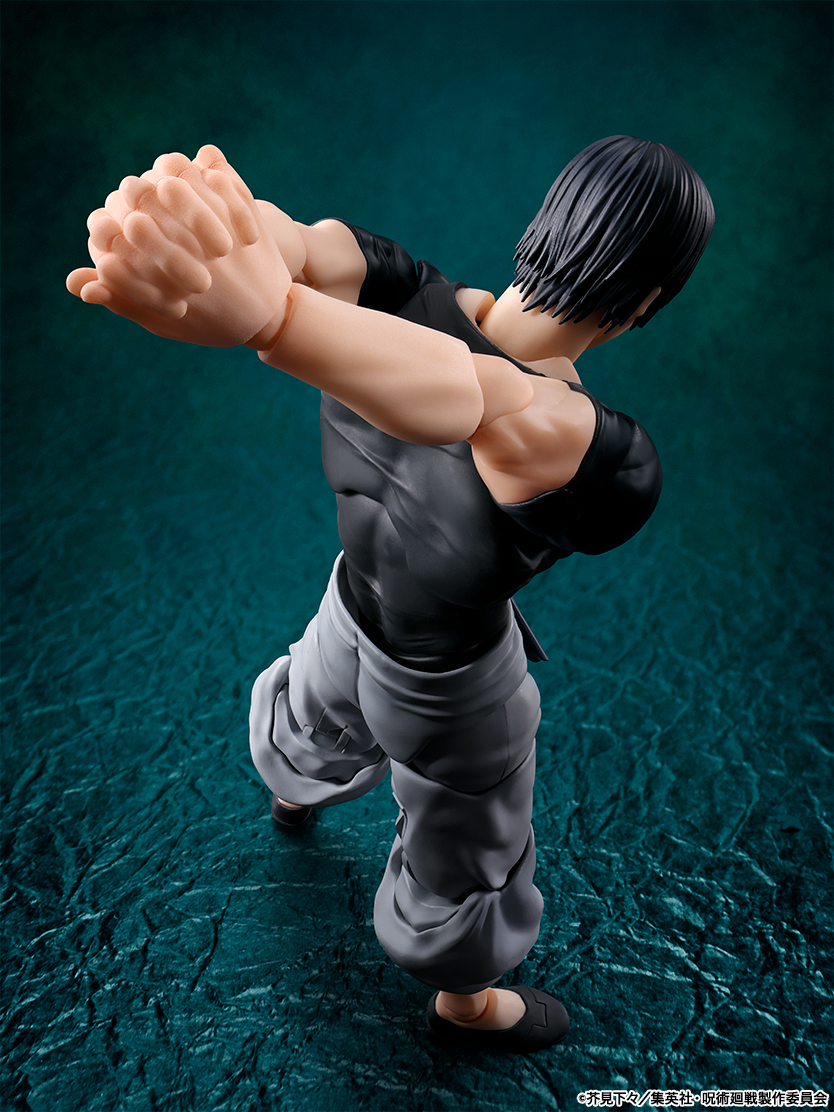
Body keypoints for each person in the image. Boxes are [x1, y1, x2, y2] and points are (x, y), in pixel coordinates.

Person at [66, 136, 714, 1053]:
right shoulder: (600, 448)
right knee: (472, 836)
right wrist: (205, 243)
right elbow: (314, 267)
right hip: (447, 678)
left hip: (351, 612)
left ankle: (293, 796)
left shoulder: (401, 288)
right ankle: (468, 1002)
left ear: (548, 224)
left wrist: (251, 288)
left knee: (309, 708)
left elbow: (446, 375)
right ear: (649, 302)